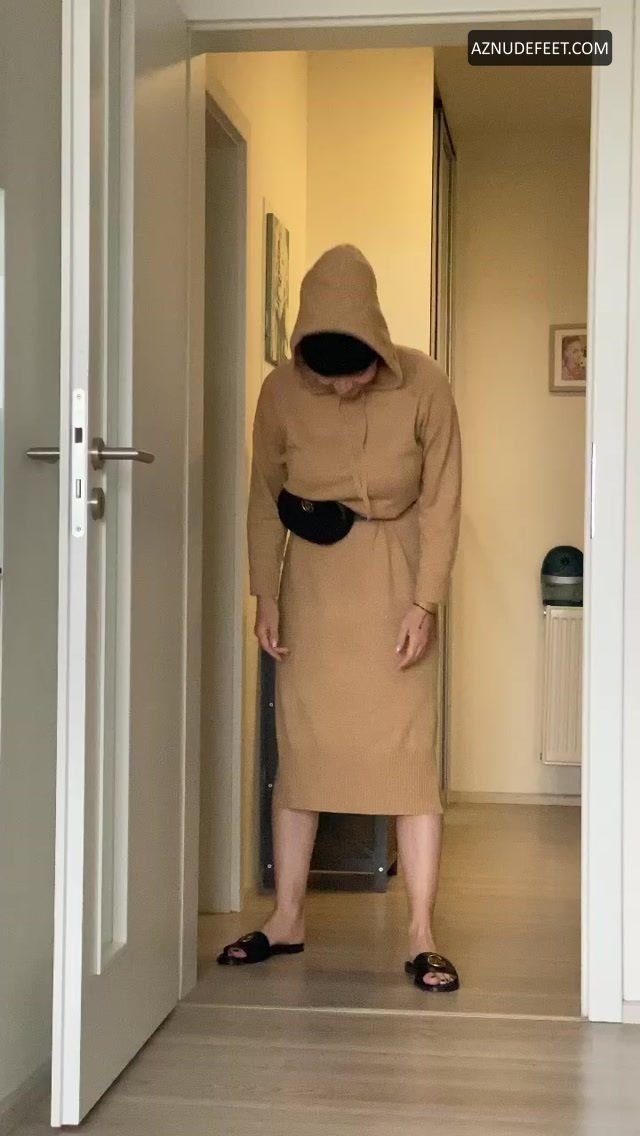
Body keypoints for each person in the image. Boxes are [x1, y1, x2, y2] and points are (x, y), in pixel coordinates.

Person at [218, 244, 462, 992]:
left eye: (355, 369)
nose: (343, 386)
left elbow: (443, 499)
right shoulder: (279, 392)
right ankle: (287, 917)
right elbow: (264, 495)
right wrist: (265, 592)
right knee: (303, 752)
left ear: (378, 344)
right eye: (327, 374)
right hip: (313, 586)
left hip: (398, 580)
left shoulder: (425, 384)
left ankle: (421, 933)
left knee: (408, 758)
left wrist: (425, 601)